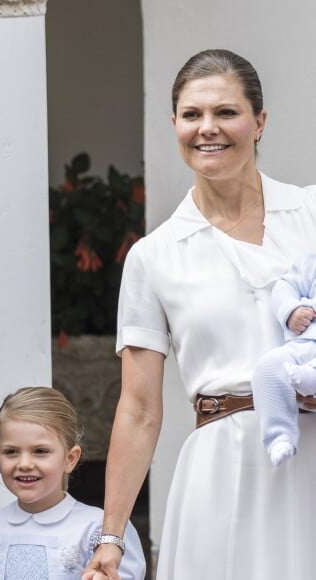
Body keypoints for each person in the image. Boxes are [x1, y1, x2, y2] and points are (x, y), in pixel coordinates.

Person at [82, 49, 316, 580]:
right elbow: (139, 409)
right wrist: (112, 536)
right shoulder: (154, 256)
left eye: (226, 112)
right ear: (174, 124)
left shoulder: (311, 213)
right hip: (223, 469)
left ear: (259, 122)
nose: (207, 129)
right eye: (192, 115)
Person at [0, 387, 145, 580]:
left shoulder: (99, 530)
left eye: (40, 451)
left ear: (70, 458)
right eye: (11, 452)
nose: (25, 464)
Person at [252, 253, 316, 466]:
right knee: (268, 367)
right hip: (303, 344)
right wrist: (292, 311)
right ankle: (280, 437)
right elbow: (285, 287)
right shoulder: (311, 263)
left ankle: (308, 378)